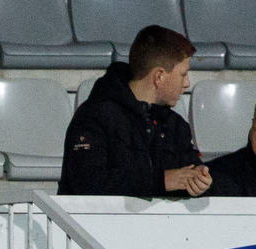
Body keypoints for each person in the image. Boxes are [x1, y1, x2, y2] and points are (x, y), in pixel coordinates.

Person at [59, 26, 210, 199]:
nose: (187, 83)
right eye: (183, 75)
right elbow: (86, 183)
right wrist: (161, 181)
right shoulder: (94, 116)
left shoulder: (175, 124)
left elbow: (188, 170)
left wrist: (199, 178)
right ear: (159, 76)